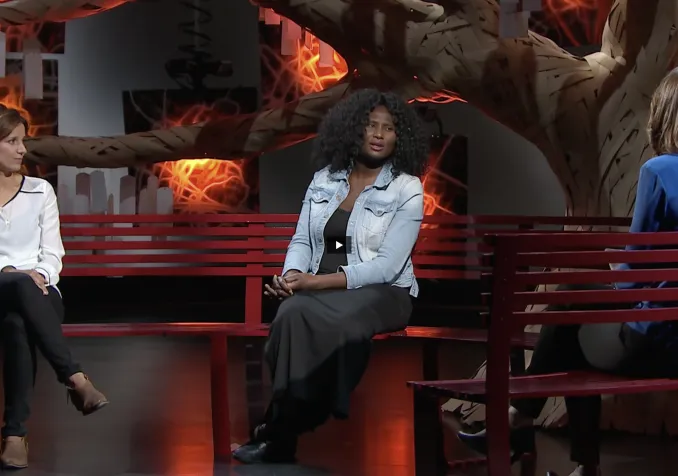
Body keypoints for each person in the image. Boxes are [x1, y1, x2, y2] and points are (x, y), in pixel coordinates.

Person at [457, 68, 678, 476]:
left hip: (651, 345)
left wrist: (613, 271)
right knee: (577, 310)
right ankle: (555, 449)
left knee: (573, 307)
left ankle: (523, 424)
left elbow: (632, 278)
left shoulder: (659, 171)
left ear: (664, 114)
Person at [232, 89, 429, 464]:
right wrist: (292, 274)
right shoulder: (325, 179)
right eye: (370, 125)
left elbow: (387, 266)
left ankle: (279, 429)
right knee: (290, 314)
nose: (378, 134)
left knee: (332, 318)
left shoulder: (407, 187)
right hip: (323, 290)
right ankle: (282, 431)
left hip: (384, 292)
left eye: (388, 128)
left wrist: (314, 283)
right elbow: (304, 240)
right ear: (353, 128)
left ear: (399, 137)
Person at [0, 105, 109, 469]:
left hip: (41, 294)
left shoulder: (40, 190)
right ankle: (76, 379)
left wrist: (40, 275)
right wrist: (11, 271)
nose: (22, 150)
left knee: (16, 322)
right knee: (17, 286)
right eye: (12, 141)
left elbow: (53, 254)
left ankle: (14, 435)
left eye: (23, 141)